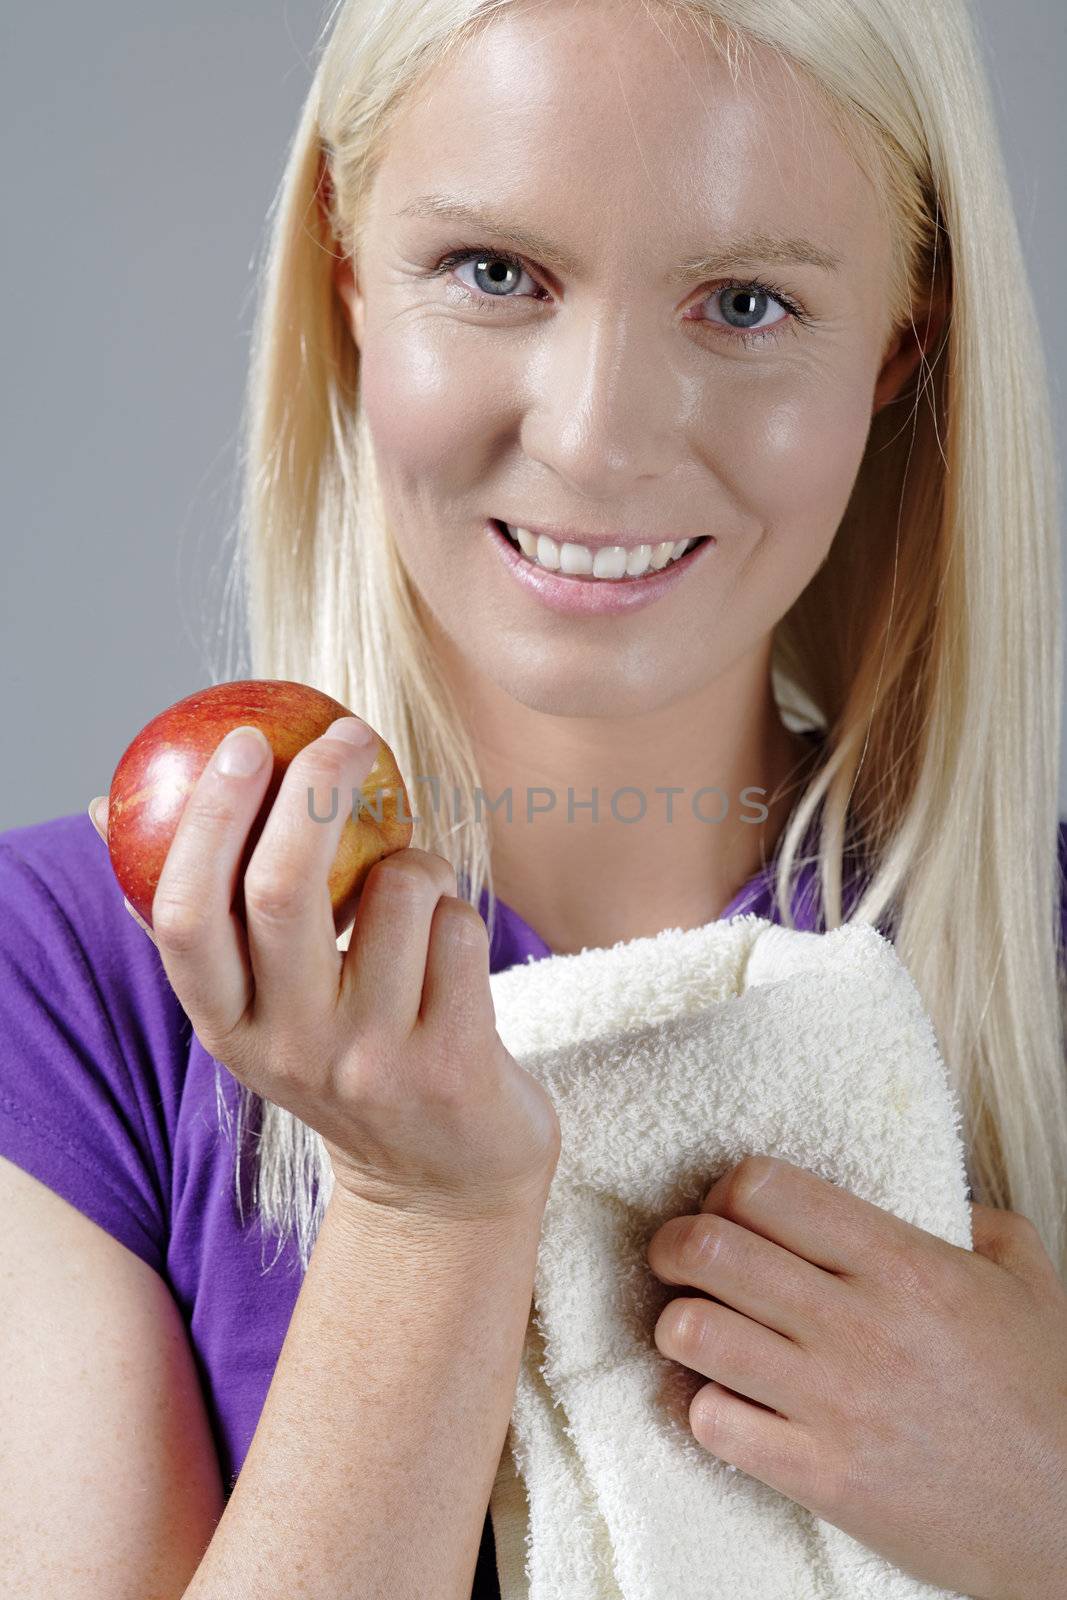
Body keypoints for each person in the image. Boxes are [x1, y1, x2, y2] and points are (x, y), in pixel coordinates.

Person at [2, 1, 1067, 1596]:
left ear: (900, 346)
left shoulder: (1041, 957)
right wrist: (424, 1219)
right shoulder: (72, 976)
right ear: (349, 271)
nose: (595, 438)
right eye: (497, 274)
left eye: (748, 301)